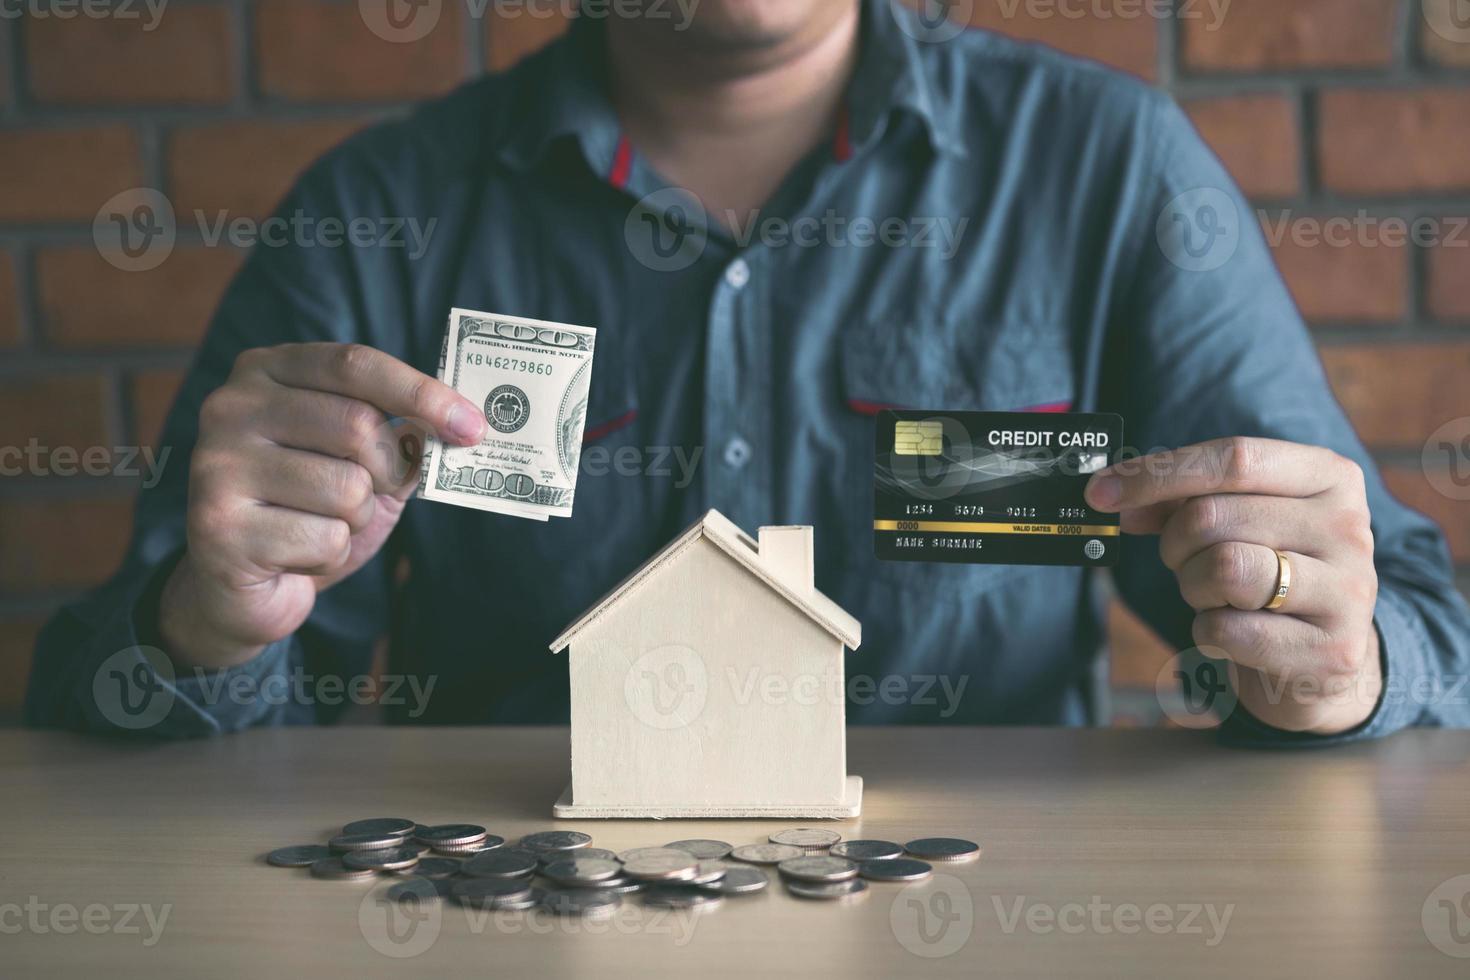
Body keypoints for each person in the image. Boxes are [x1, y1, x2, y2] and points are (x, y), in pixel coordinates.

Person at [26, 0, 1470, 739]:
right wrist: (207, 628)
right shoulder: (378, 213)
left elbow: (1423, 637)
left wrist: (1335, 662)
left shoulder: (1104, 168)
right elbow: (106, 707)